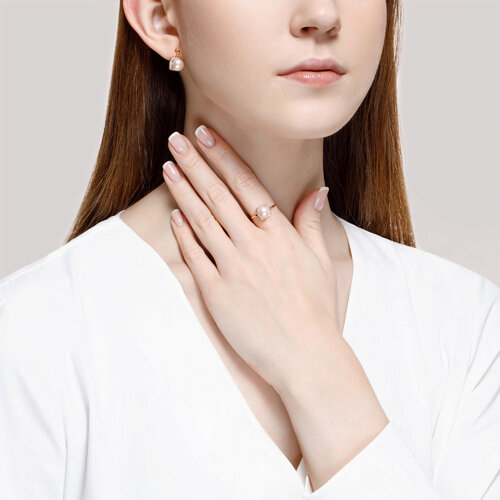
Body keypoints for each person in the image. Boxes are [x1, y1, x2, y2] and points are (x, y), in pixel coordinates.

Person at [1, 0, 499, 498]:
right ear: (161, 17)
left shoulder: (469, 326)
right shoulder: (35, 332)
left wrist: (314, 362)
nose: (323, 14)